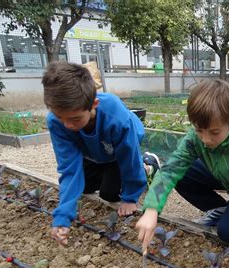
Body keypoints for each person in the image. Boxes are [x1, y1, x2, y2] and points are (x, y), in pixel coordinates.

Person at [136, 79, 229, 255]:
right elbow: (171, 169)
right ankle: (220, 208)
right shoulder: (199, 135)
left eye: (215, 132)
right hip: (221, 173)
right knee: (182, 172)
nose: (206, 139)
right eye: (199, 130)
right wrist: (151, 210)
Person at [43, 61, 159, 246]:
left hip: (120, 148)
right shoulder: (57, 122)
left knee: (110, 194)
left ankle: (148, 165)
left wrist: (131, 196)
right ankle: (104, 168)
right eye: (60, 118)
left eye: (74, 119)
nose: (68, 125)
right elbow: (69, 169)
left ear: (93, 104)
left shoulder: (116, 117)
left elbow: (128, 158)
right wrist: (63, 217)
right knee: (85, 188)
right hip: (92, 151)